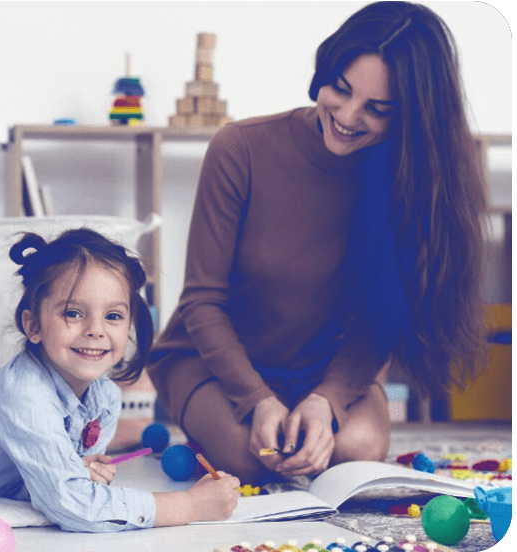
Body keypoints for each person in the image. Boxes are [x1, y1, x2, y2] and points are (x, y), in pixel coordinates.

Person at [146, 1, 487, 485]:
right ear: (324, 71)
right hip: (211, 361)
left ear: (410, 117)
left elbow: (380, 320)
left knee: (357, 450)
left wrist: (326, 399)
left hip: (323, 367)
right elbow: (202, 302)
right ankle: (219, 419)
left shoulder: (408, 182)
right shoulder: (240, 148)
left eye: (378, 108)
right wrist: (258, 399)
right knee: (249, 460)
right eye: (341, 89)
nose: (348, 116)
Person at [0, 228, 240, 532]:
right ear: (33, 326)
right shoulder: (24, 397)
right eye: (73, 313)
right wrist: (190, 505)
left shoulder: (105, 399)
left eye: (113, 316)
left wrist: (81, 469)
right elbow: (74, 504)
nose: (96, 330)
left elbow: (64, 479)